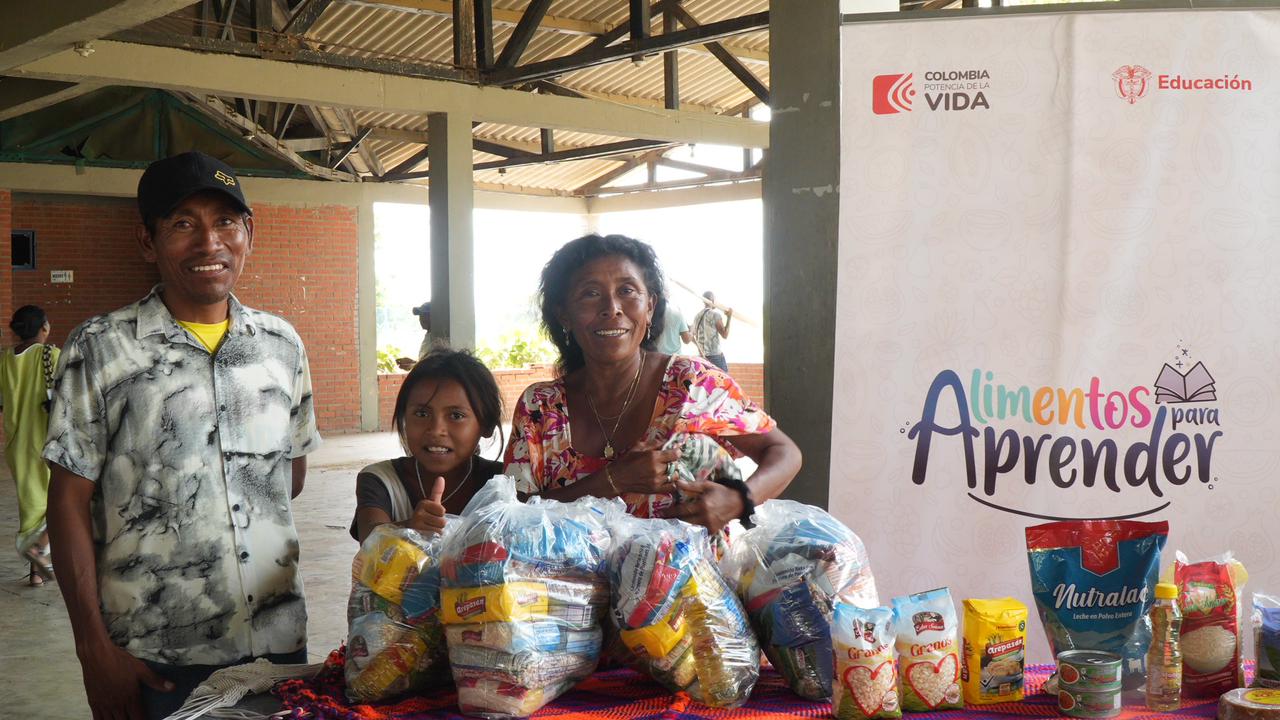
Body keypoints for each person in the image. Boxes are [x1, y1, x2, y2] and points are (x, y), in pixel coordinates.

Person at [44, 151, 322, 720]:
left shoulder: (282, 345)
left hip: (276, 644)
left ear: (249, 231)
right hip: (154, 655)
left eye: (225, 222)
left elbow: (285, 478)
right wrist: (93, 650)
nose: (208, 243)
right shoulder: (100, 348)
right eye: (182, 223)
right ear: (147, 241)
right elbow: (67, 504)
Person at [504, 234, 802, 536]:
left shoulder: (692, 383)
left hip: (695, 583)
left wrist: (739, 499)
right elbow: (513, 515)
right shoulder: (540, 406)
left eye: (627, 290)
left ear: (649, 306)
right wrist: (612, 480)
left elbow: (783, 452)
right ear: (563, 314)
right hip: (562, 583)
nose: (612, 307)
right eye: (590, 294)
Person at [351, 349, 504, 543]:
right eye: (422, 414)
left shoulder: (503, 483)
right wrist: (409, 528)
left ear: (487, 425)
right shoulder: (381, 480)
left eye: (456, 415)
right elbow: (370, 538)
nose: (436, 429)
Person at [0, 305, 59, 586]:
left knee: (31, 504)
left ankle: (36, 572)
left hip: (16, 443)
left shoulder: (5, 360)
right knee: (60, 501)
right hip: (47, 442)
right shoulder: (51, 355)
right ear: (44, 328)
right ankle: (40, 548)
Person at [691, 291, 732, 372]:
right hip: (715, 357)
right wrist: (729, 317)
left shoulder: (697, 317)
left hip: (702, 357)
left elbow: (693, 336)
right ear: (712, 300)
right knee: (723, 382)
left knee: (706, 383)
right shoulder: (715, 315)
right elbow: (725, 335)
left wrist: (701, 351)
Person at [395, 302, 431, 371]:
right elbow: (427, 363)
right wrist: (413, 363)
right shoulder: (428, 336)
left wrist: (413, 365)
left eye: (425, 315)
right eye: (420, 315)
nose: (421, 319)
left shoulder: (436, 337)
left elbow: (432, 366)